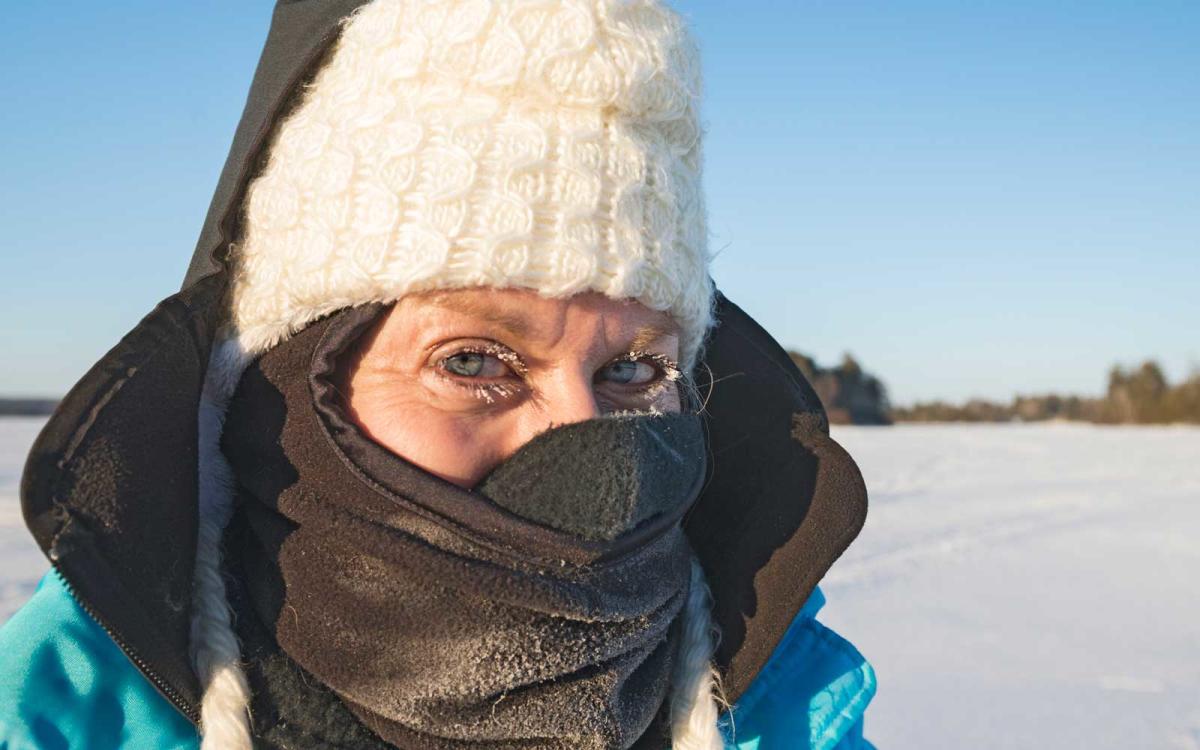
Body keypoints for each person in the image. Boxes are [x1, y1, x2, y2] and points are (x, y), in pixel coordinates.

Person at [0, 1, 877, 748]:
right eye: (472, 361)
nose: (588, 442)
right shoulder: (64, 712)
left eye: (634, 369)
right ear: (277, 385)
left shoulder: (776, 704)